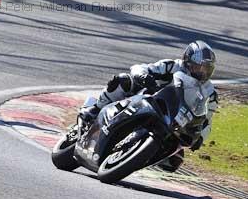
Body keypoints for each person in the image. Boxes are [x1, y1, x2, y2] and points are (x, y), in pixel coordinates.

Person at [80, 40, 219, 170]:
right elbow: (141, 68)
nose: (202, 72)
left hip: (176, 121)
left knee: (175, 161)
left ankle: (137, 156)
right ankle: (95, 109)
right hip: (149, 99)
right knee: (123, 81)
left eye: (206, 69)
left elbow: (207, 119)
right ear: (187, 62)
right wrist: (143, 76)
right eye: (198, 67)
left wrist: (201, 137)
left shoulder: (210, 92)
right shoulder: (172, 66)